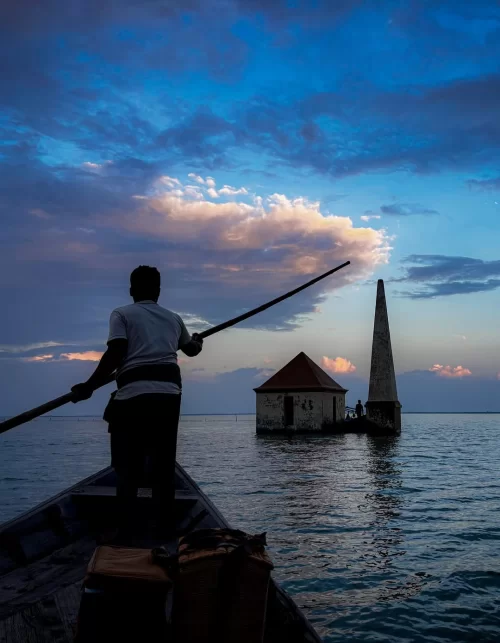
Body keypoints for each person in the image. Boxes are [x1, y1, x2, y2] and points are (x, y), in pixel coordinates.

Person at [71, 265, 203, 535]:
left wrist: (89, 386)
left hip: (134, 396)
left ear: (131, 290)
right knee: (163, 464)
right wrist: (198, 341)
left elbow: (116, 352)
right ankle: (165, 528)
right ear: (158, 291)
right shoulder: (174, 318)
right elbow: (191, 350)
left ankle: (128, 527)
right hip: (169, 395)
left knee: (127, 465)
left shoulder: (121, 314)